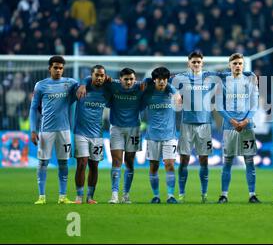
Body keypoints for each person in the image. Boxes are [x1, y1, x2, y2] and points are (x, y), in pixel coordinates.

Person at [77, 68, 148, 204]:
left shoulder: (140, 86)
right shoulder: (113, 84)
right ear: (120, 79)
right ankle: (114, 194)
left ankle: (126, 194)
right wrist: (82, 84)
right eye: (126, 79)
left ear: (135, 79)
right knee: (116, 161)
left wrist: (146, 80)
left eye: (131, 79)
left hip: (134, 129)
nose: (128, 82)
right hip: (116, 128)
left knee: (129, 162)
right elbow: (89, 78)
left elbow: (152, 81)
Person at [29, 55, 78, 204]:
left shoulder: (70, 83)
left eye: (61, 68)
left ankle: (62, 197)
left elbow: (85, 85)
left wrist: (82, 86)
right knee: (43, 162)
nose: (58, 70)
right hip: (46, 130)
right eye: (55, 67)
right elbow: (33, 108)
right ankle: (41, 196)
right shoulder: (41, 85)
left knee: (63, 163)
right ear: (49, 68)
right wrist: (33, 130)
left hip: (64, 130)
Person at [171, 50, 217, 203]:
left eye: (199, 62)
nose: (196, 64)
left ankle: (204, 195)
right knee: (184, 159)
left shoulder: (210, 78)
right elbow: (168, 83)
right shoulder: (180, 78)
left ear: (202, 63)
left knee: (204, 160)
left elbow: (228, 75)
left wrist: (250, 75)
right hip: (186, 125)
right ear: (188, 63)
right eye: (194, 62)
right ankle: (182, 194)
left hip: (205, 124)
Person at [216, 53, 260, 204]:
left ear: (243, 65)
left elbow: (254, 105)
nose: (237, 66)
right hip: (229, 127)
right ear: (230, 65)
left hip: (247, 126)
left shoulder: (251, 81)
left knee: (249, 161)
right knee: (227, 161)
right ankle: (224, 195)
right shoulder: (222, 83)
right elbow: (219, 107)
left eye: (240, 63)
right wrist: (232, 121)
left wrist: (246, 120)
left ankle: (252, 195)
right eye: (235, 63)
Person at [141, 67, 181, 204]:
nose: (162, 82)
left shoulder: (171, 92)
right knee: (154, 166)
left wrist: (177, 95)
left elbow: (175, 92)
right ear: (154, 80)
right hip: (152, 136)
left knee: (170, 165)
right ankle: (156, 195)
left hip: (170, 136)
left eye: (165, 79)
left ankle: (170, 196)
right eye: (159, 79)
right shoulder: (148, 92)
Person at [73, 65, 110, 204]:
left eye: (102, 76)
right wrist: (83, 83)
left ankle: (90, 197)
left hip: (97, 135)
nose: (99, 78)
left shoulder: (107, 90)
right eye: (97, 75)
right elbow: (84, 80)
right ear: (92, 76)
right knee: (81, 163)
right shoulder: (82, 88)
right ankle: (78, 196)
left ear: (105, 77)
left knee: (94, 165)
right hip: (80, 133)